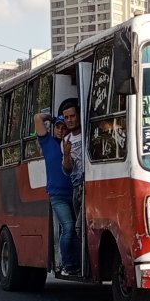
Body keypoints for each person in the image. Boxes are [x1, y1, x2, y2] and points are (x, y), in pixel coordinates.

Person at [34, 111, 80, 276]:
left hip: (75, 191)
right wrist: (53, 118)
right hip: (58, 195)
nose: (60, 130)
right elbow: (38, 118)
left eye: (64, 127)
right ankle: (66, 263)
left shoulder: (73, 142)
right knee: (67, 227)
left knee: (75, 229)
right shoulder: (48, 143)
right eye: (57, 127)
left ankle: (75, 263)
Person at [60, 98, 84, 230]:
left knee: (81, 226)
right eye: (66, 117)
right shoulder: (65, 141)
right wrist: (67, 154)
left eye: (72, 116)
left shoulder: (88, 134)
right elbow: (67, 170)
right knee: (79, 229)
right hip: (76, 187)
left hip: (89, 183)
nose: (69, 120)